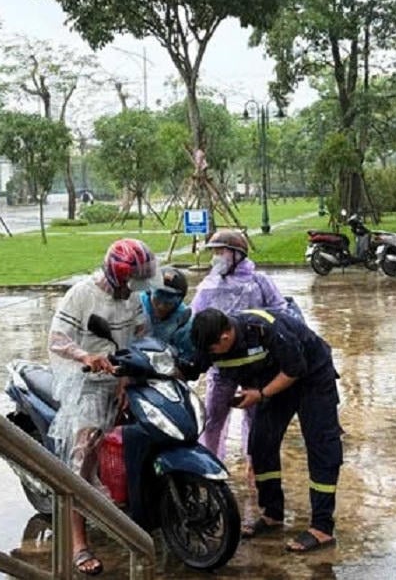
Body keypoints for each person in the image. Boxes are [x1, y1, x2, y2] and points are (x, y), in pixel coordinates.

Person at [189, 307, 343, 553]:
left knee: (321, 446)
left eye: (211, 350)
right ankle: (272, 513)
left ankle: (322, 527)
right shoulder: (211, 341)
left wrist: (260, 394)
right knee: (261, 443)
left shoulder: (267, 329)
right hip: (277, 381)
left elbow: (295, 369)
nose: (209, 355)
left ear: (225, 337)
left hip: (312, 376)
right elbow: (191, 367)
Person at [47, 238, 158, 575]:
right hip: (84, 380)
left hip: (120, 376)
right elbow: (56, 339)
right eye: (131, 280)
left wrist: (127, 377)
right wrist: (87, 356)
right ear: (115, 274)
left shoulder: (135, 298)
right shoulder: (82, 294)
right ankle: (78, 542)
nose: (136, 287)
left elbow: (139, 338)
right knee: (85, 452)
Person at [190, 230, 303, 466]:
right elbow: (196, 322)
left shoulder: (258, 282)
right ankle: (211, 464)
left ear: (237, 254)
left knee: (255, 417)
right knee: (213, 417)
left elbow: (279, 313)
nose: (216, 257)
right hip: (222, 367)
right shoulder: (208, 285)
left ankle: (256, 464)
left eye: (220, 252)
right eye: (214, 252)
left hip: (256, 366)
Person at [140, 266, 195, 363]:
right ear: (149, 292)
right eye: (157, 299)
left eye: (168, 303)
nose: (161, 307)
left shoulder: (183, 320)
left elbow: (187, 355)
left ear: (178, 302)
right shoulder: (137, 305)